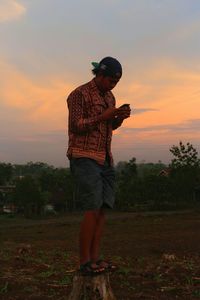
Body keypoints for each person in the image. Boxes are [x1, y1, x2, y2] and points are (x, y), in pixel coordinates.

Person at [67, 56, 131, 276]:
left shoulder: (110, 97)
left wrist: (118, 118)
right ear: (100, 75)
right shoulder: (79, 94)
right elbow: (76, 126)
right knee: (92, 208)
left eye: (116, 82)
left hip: (105, 158)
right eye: (111, 81)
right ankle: (84, 262)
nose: (113, 85)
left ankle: (95, 259)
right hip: (84, 157)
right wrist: (101, 116)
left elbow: (108, 127)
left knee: (103, 209)